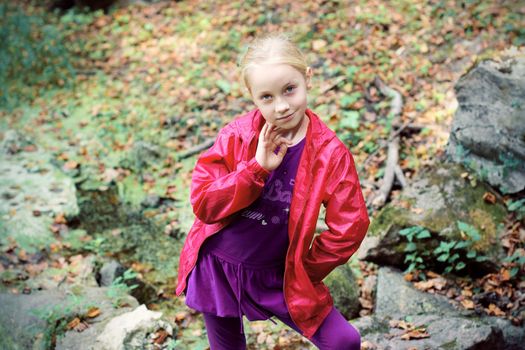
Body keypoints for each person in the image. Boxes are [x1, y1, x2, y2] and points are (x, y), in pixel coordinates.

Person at [175, 33, 370, 349]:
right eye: (266, 97)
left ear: (307, 79)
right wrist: (256, 169)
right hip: (219, 264)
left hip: (278, 274)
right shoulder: (237, 135)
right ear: (252, 96)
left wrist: (303, 268)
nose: (281, 106)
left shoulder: (330, 154)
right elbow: (205, 204)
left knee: (343, 342)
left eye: (289, 90)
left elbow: (350, 227)